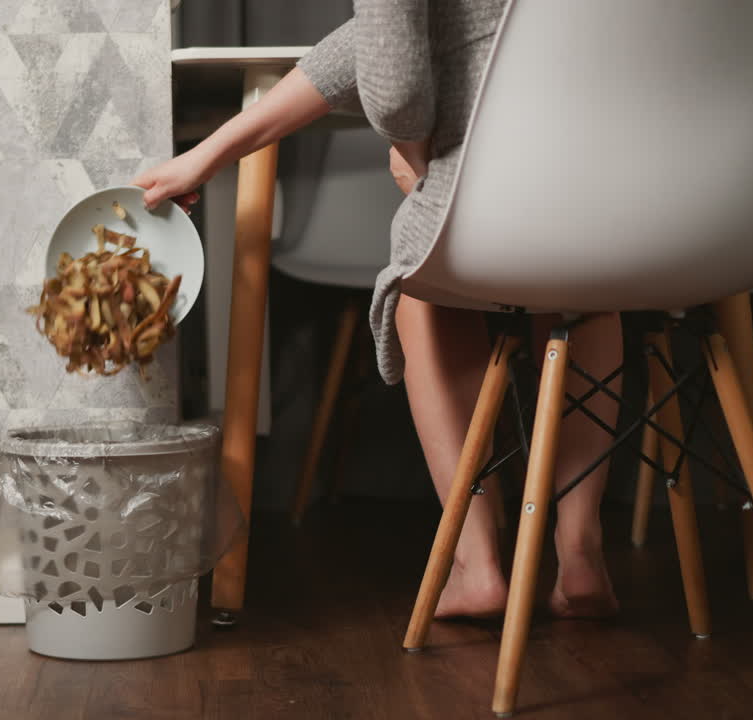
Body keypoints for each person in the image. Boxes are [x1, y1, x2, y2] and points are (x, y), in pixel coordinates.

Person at [133, 0, 622, 619]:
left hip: (500, 194)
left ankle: (475, 565)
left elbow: (395, 85)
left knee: (426, 292)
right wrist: (207, 155)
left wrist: (414, 159)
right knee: (584, 294)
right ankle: (580, 551)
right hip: (659, 201)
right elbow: (372, 40)